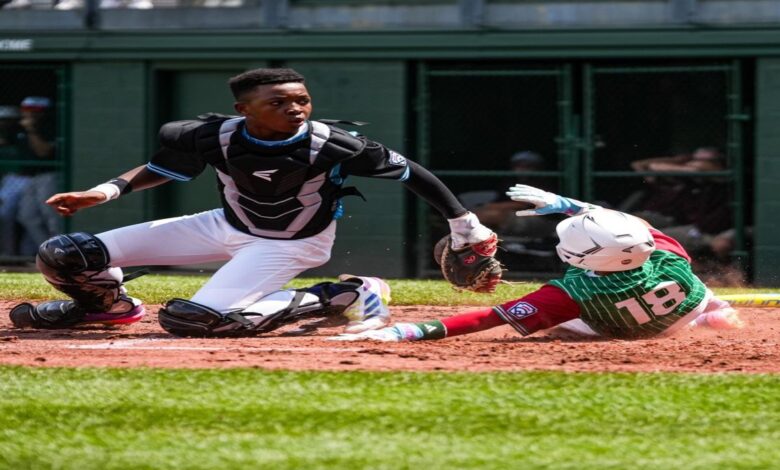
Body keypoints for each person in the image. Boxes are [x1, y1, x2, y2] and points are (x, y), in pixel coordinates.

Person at [8, 67, 496, 338]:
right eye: (279, 102)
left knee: (194, 320)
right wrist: (106, 191)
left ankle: (343, 295)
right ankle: (108, 308)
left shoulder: (334, 144)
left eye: (301, 100)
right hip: (223, 224)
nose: (295, 109)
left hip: (291, 244)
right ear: (245, 110)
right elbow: (164, 168)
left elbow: (414, 174)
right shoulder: (209, 135)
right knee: (64, 255)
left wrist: (465, 225)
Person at [333, 184, 743, 343]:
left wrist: (406, 332)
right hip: (682, 303)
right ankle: (711, 313)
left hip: (630, 330)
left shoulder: (569, 294)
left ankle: (705, 317)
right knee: (692, 283)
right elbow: (629, 228)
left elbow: (487, 319)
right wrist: (567, 205)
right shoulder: (666, 252)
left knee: (561, 327)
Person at [15, 96, 60, 255]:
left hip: (49, 175)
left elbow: (43, 152)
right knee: (27, 215)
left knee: (52, 217)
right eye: (27, 111)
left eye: (35, 111)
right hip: (29, 177)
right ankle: (48, 253)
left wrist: (31, 129)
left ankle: (61, 252)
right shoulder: (20, 127)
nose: (30, 115)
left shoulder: (50, 127)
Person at [0, 104, 30, 256]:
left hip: (28, 179)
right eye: (2, 120)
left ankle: (27, 254)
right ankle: (8, 254)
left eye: (8, 120)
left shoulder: (23, 135)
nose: (4, 124)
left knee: (27, 217)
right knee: (5, 215)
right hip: (10, 179)